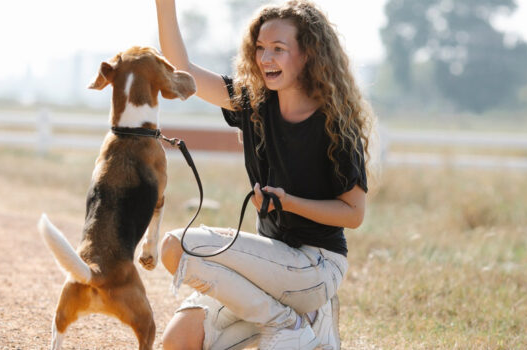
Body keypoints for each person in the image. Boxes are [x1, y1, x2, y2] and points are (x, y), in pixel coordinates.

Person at [153, 0, 374, 349]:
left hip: (315, 266)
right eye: (260, 48)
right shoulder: (252, 102)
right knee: (178, 342)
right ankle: (303, 324)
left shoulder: (334, 124)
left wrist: (289, 203)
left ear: (308, 55)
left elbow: (354, 213)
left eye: (279, 49)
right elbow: (181, 69)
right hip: (269, 259)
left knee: (176, 246)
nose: (265, 58)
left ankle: (288, 324)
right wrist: (165, 6)